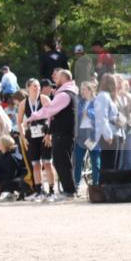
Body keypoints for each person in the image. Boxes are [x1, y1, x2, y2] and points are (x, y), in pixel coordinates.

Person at [27, 69, 78, 199]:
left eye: (58, 78)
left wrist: (33, 116)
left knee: (62, 162)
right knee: (63, 162)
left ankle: (69, 191)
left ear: (64, 79)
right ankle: (69, 190)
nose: (55, 80)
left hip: (62, 133)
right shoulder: (71, 92)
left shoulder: (64, 95)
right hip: (66, 132)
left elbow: (49, 110)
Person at [16, 79, 52, 201]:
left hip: (44, 133)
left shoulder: (44, 99)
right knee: (35, 164)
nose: (36, 88)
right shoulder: (23, 103)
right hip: (31, 135)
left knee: (47, 162)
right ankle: (38, 190)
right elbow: (19, 121)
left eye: (37, 86)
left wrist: (49, 133)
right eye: (34, 86)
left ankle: (51, 190)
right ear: (28, 88)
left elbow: (52, 117)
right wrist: (22, 136)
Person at [74, 81, 102, 192]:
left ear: (90, 91)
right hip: (81, 136)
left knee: (96, 162)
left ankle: (96, 185)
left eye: (84, 89)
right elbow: (76, 116)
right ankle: (76, 184)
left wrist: (89, 113)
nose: (82, 92)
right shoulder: (80, 102)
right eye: (81, 89)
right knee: (78, 161)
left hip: (93, 136)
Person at [0, 135, 25, 201]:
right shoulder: (3, 155)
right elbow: (0, 169)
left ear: (4, 144)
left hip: (16, 181)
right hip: (8, 179)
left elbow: (11, 175)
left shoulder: (11, 157)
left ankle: (12, 193)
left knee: (3, 181)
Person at [94, 74, 122, 171]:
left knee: (112, 166)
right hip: (110, 135)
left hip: (113, 134)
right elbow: (102, 117)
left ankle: (108, 185)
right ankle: (106, 186)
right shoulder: (103, 96)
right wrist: (108, 135)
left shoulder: (107, 96)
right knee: (108, 166)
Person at [115, 77, 131, 172]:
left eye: (121, 83)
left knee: (129, 153)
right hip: (119, 128)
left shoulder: (128, 96)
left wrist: (130, 99)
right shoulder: (113, 96)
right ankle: (118, 175)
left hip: (129, 128)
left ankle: (127, 174)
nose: (120, 85)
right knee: (120, 155)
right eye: (118, 82)